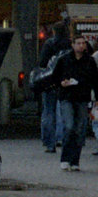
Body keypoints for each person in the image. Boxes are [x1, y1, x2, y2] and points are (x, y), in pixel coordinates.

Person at [46, 34, 97, 172]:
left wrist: (96, 98)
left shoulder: (89, 61)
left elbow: (95, 81)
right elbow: (54, 77)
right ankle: (65, 159)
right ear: (73, 45)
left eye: (83, 43)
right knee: (69, 126)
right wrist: (61, 83)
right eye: (78, 43)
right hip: (66, 97)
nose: (81, 46)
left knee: (80, 130)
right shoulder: (64, 60)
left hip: (82, 98)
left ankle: (75, 161)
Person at [37, 22, 70, 153]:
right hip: (65, 81)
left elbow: (42, 63)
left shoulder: (49, 44)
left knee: (48, 111)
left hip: (49, 82)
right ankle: (61, 138)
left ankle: (49, 143)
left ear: (54, 31)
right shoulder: (69, 44)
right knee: (62, 110)